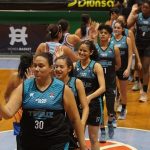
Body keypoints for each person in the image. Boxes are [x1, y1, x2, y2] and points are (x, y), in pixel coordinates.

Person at [0, 52, 87, 150]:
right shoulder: (25, 86)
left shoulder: (62, 89)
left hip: (55, 143)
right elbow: (8, 113)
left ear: (50, 68)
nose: (36, 69)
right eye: (35, 66)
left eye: (41, 66)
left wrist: (83, 146)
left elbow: (75, 119)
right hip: (29, 142)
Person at [74, 40, 105, 150]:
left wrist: (89, 97)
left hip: (94, 105)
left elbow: (103, 88)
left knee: (93, 137)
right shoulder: (74, 66)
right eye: (80, 50)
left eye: (85, 51)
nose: (81, 52)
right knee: (77, 137)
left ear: (91, 52)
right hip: (78, 106)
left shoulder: (96, 66)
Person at [54, 55, 89, 149]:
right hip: (56, 126)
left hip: (72, 125)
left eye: (61, 67)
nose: (58, 69)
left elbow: (85, 107)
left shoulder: (77, 83)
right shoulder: (52, 83)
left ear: (69, 68)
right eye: (56, 66)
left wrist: (81, 124)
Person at [95, 24, 121, 141]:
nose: (103, 34)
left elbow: (118, 65)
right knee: (99, 108)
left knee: (111, 109)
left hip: (110, 82)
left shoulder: (114, 48)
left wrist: (109, 72)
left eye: (105, 33)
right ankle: (102, 131)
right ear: (99, 35)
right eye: (101, 33)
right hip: (98, 83)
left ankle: (110, 123)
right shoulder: (95, 48)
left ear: (110, 35)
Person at [4, 53, 33, 150]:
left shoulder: (14, 77)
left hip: (20, 116)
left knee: (20, 142)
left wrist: (13, 107)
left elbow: (6, 96)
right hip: (29, 115)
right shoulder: (36, 78)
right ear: (32, 64)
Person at [127, 0, 150, 102]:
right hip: (138, 45)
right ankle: (141, 84)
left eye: (146, 7)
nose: (144, 9)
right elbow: (127, 25)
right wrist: (132, 13)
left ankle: (144, 92)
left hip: (148, 46)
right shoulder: (138, 16)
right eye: (143, 7)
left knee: (145, 67)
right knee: (138, 67)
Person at [111, 20, 133, 120]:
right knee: (114, 91)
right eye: (115, 27)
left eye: (118, 28)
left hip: (124, 69)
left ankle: (124, 109)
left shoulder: (127, 39)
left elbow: (130, 56)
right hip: (113, 69)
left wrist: (128, 68)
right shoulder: (110, 39)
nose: (116, 29)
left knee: (123, 91)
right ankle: (113, 112)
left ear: (122, 29)